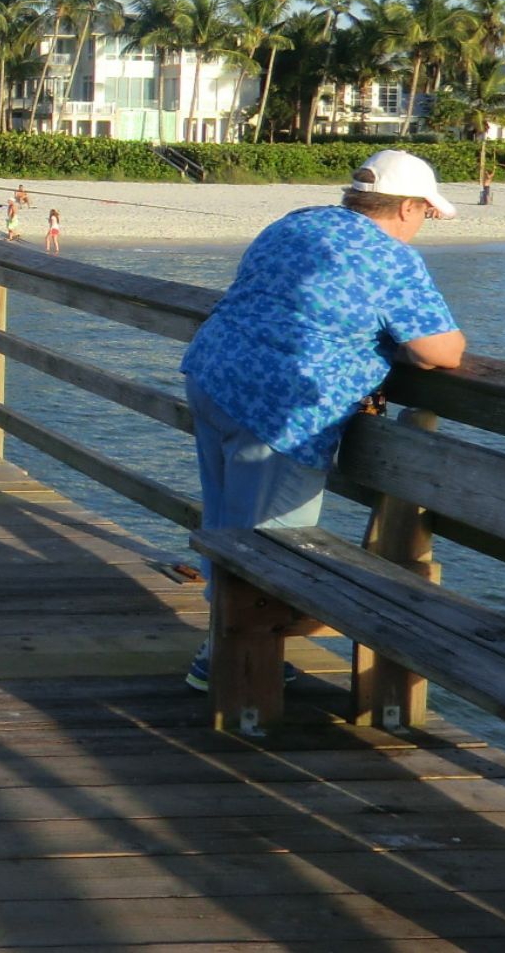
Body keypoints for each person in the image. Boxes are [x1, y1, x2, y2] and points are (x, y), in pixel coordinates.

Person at [177, 149, 466, 692]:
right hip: (280, 408)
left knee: (227, 523)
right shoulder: (388, 258)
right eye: (426, 213)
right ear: (406, 208)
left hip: (214, 374)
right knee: (275, 543)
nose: (423, 225)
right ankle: (233, 668)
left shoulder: (297, 223)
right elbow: (442, 352)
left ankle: (223, 644)